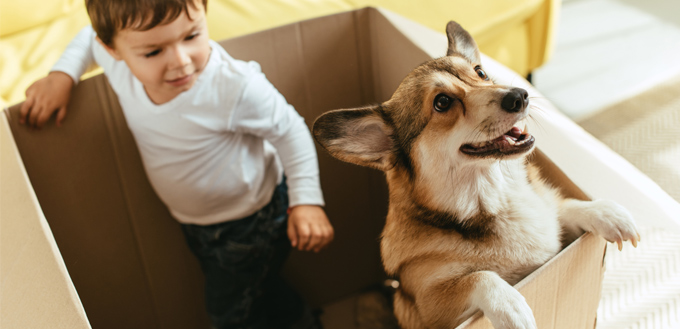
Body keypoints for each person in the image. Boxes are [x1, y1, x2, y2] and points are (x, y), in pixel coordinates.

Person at [20, 0, 334, 328]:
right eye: (154, 52)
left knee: (228, 311)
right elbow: (87, 37)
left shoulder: (233, 86)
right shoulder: (116, 63)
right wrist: (61, 77)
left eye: (192, 35)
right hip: (196, 222)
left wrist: (307, 200)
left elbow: (290, 130)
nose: (181, 62)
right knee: (255, 287)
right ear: (112, 49)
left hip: (251, 221)